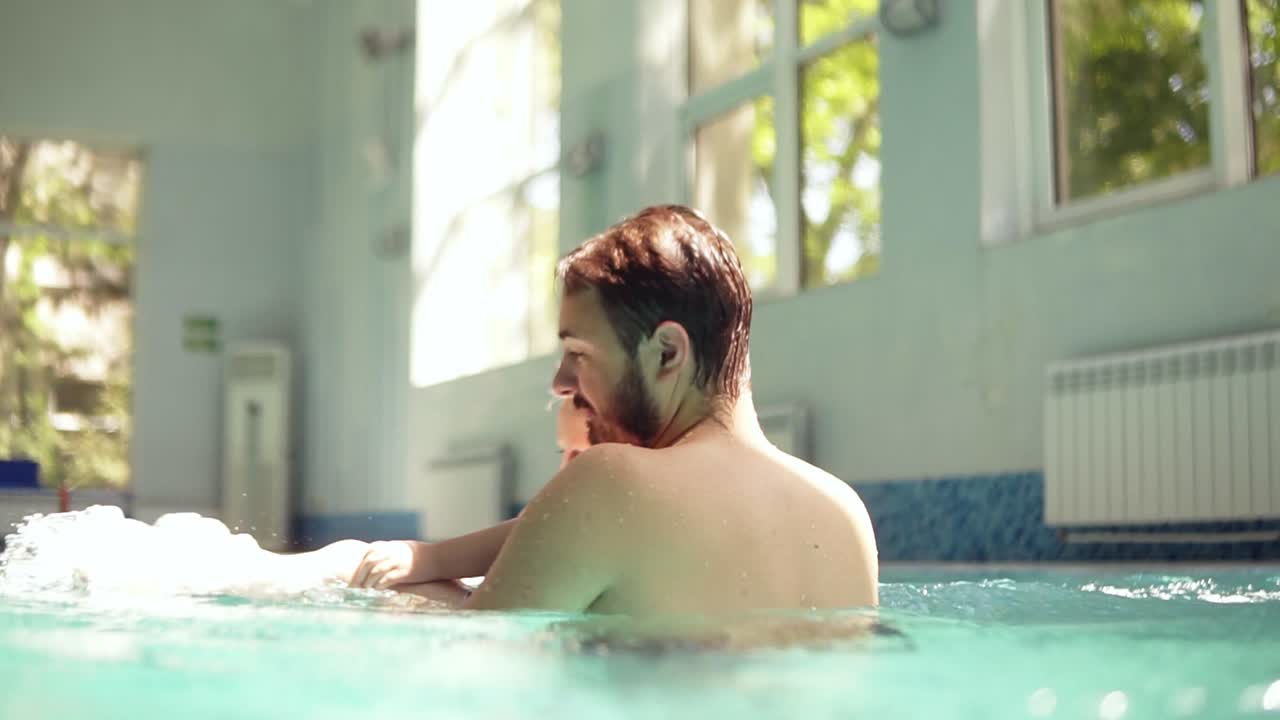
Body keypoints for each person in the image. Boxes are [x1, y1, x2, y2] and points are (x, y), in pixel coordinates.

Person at [349, 205, 878, 615]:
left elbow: (478, 660)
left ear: (667, 353)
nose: (561, 384)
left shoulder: (613, 483)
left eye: (579, 354)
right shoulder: (845, 515)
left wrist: (398, 597)